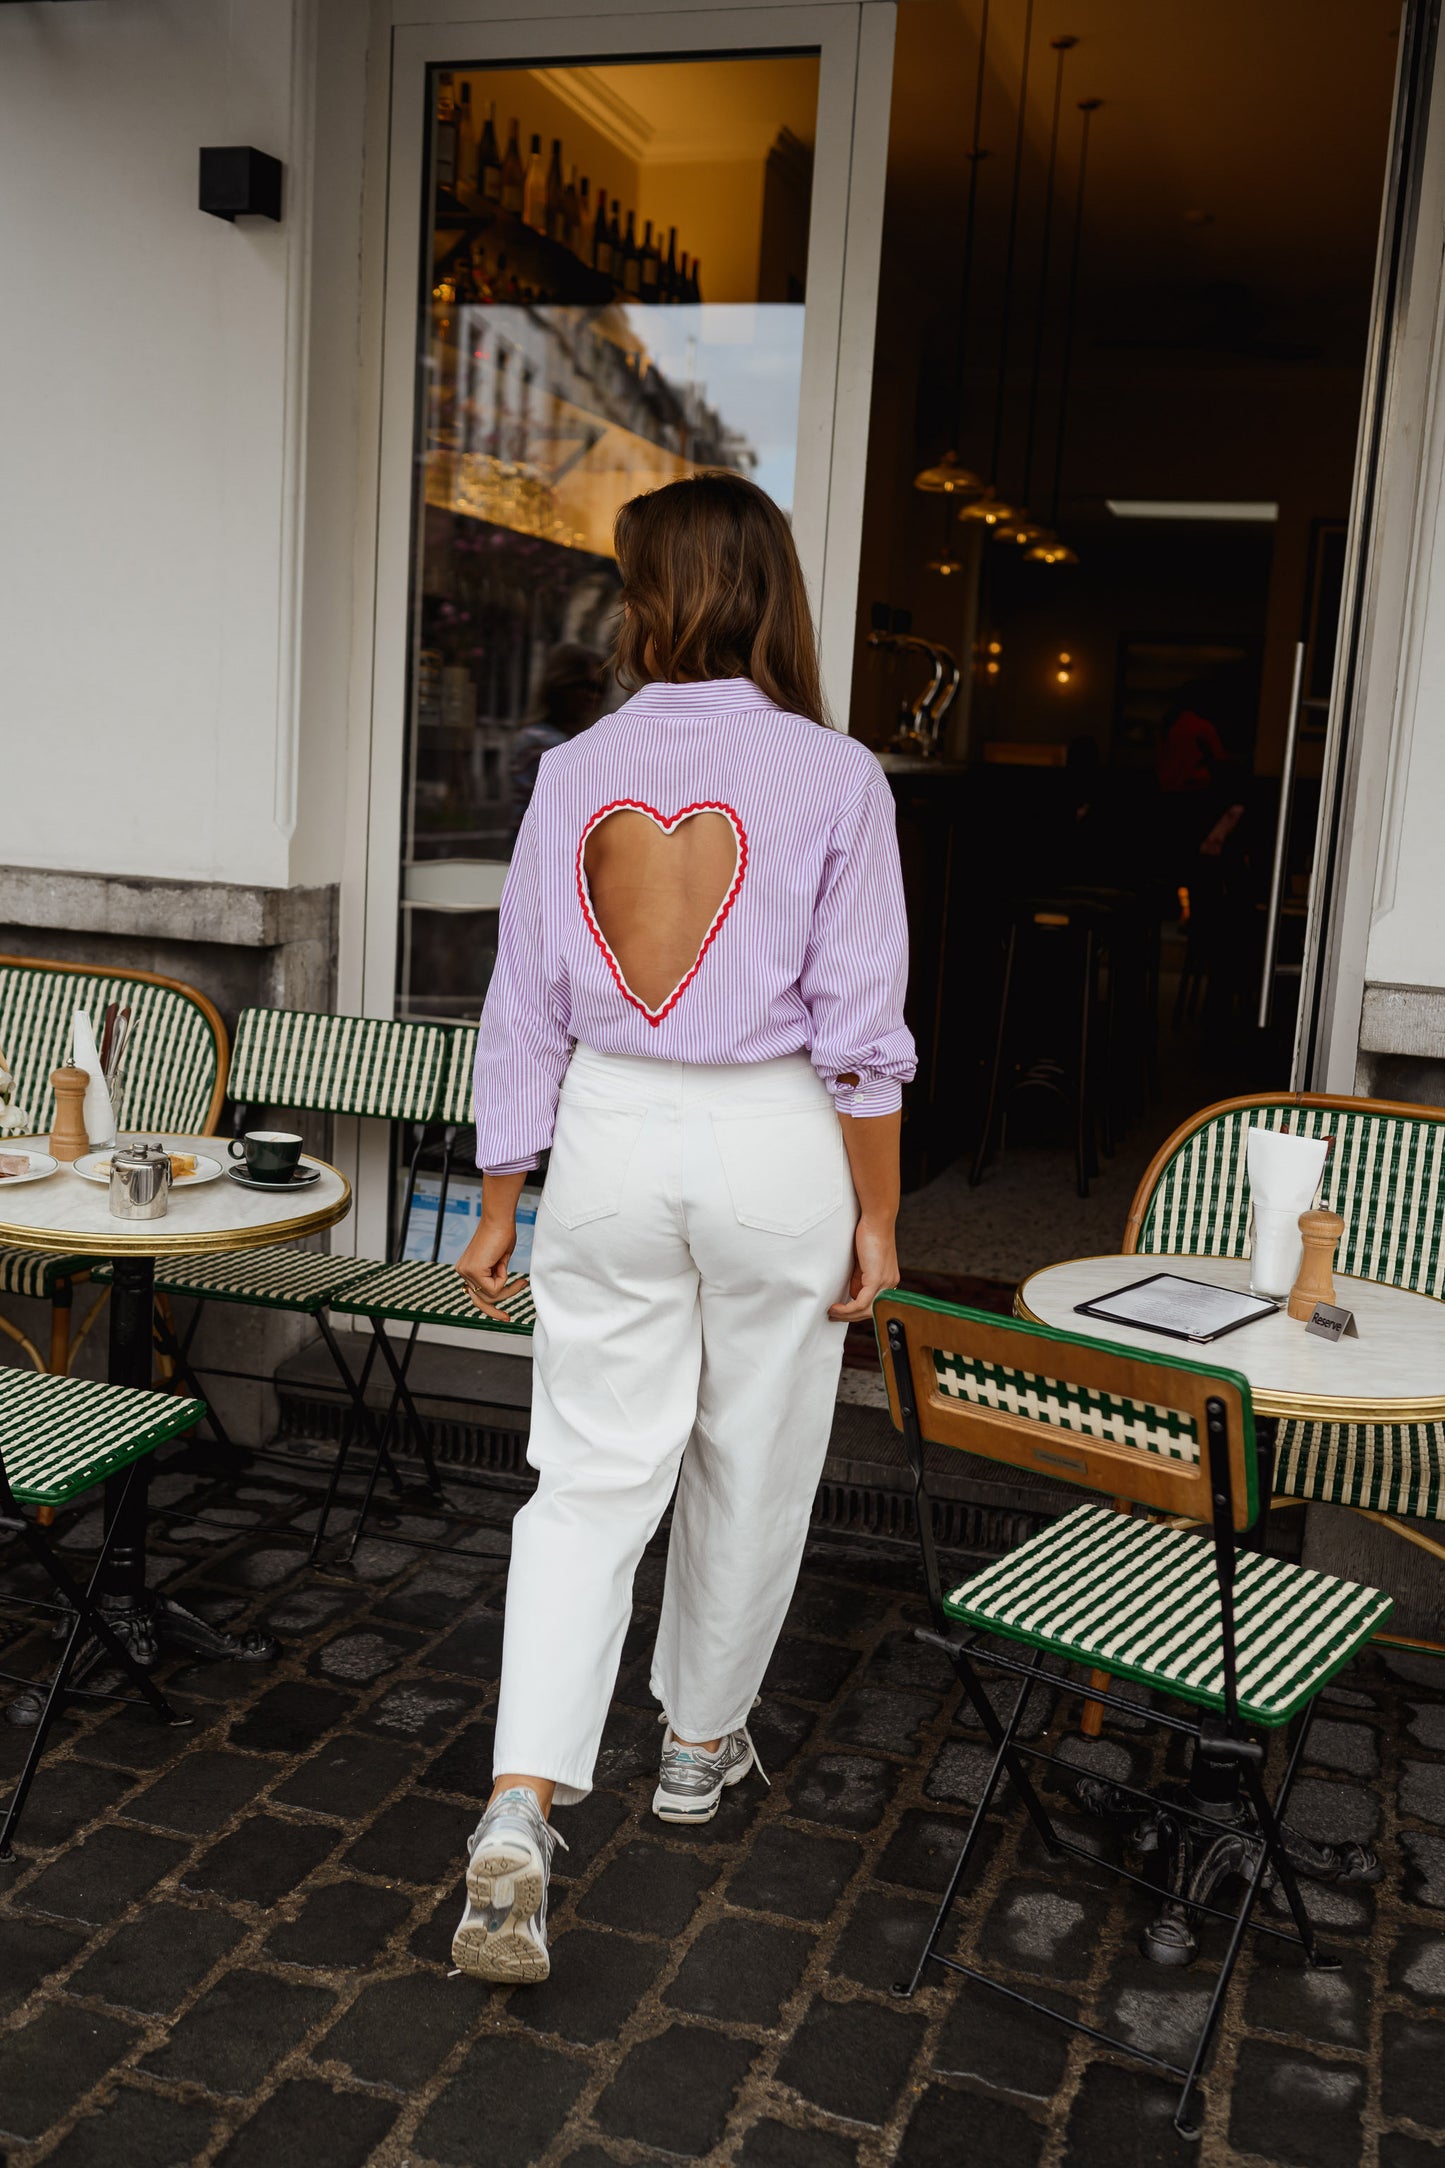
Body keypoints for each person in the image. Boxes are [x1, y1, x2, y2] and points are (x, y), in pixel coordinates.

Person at [451, 470, 917, 1983]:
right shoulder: (835, 774)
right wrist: (878, 1216)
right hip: (774, 1137)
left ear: (650, 597)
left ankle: (520, 1803)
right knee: (753, 1454)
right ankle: (695, 1752)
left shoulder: (576, 770)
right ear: (770, 590)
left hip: (609, 1132)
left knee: (588, 1474)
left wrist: (500, 1198)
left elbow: (522, 1001)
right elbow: (860, 1033)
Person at [508, 641, 608, 841]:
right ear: (559, 686)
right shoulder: (538, 742)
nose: (592, 697)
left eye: (599, 689)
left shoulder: (582, 741)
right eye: (584, 686)